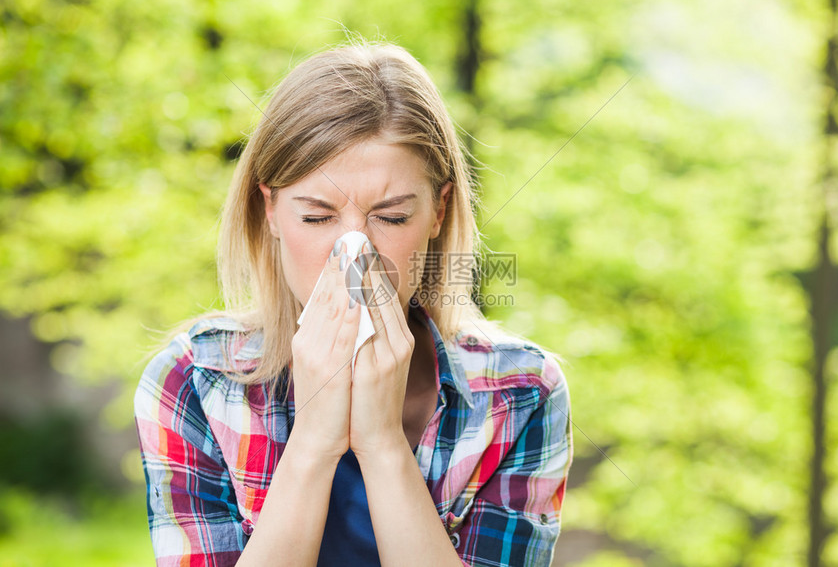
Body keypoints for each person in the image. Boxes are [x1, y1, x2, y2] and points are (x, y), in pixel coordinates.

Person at [133, 39, 573, 567]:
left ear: (438, 211)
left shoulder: (523, 393)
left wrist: (383, 444)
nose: (354, 253)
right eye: (317, 217)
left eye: (390, 217)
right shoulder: (192, 382)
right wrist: (315, 440)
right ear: (269, 209)